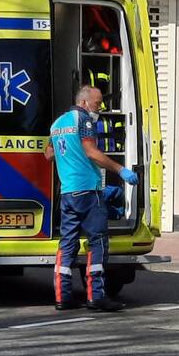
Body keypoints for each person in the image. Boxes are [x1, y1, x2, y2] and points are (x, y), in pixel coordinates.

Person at [45, 86, 138, 312]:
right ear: (84, 102)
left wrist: (69, 157)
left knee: (67, 243)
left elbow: (48, 155)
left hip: (68, 192)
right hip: (88, 190)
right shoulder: (84, 120)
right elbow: (91, 152)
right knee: (98, 242)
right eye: (97, 103)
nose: (100, 107)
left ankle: (62, 297)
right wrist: (120, 169)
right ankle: (96, 296)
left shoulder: (57, 123)